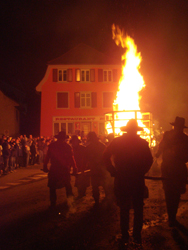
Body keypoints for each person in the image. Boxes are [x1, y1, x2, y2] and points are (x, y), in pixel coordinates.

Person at [103, 119, 153, 245]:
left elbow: (105, 157)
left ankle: (125, 234)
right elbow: (149, 160)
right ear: (136, 131)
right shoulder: (142, 143)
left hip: (122, 178)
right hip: (136, 179)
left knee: (124, 208)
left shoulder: (117, 142)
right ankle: (136, 234)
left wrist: (113, 171)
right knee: (138, 207)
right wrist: (142, 171)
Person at [155, 116, 188, 227]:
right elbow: (161, 146)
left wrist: (159, 153)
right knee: (170, 192)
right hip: (171, 168)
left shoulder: (183, 138)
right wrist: (158, 153)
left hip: (174, 168)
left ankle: (172, 216)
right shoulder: (172, 135)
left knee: (174, 192)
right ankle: (171, 216)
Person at [43, 131, 78, 208]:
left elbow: (47, 157)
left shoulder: (52, 146)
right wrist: (74, 168)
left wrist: (45, 166)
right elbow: (72, 159)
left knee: (53, 187)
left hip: (56, 169)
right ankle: (70, 202)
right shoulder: (67, 147)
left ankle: (54, 204)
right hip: (63, 169)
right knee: (67, 186)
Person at [85, 131, 111, 206]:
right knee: (103, 186)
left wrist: (84, 169)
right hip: (101, 170)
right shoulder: (102, 146)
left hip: (97, 170)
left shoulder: (89, 147)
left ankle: (98, 202)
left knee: (97, 186)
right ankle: (105, 200)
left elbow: (85, 160)